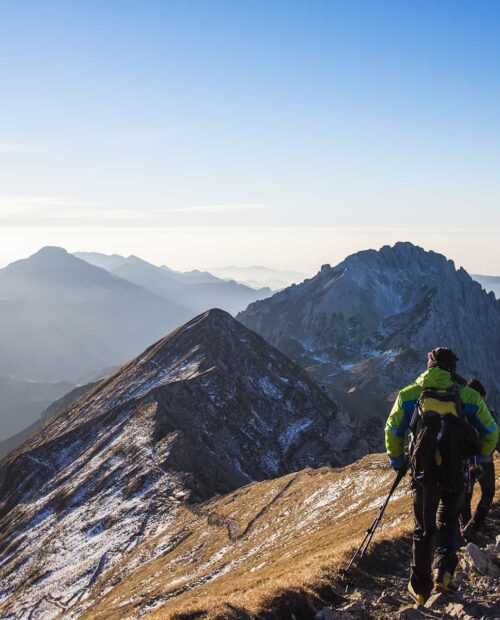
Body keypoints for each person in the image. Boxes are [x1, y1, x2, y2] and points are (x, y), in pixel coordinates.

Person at [385, 348, 498, 606]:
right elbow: (491, 430)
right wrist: (481, 458)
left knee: (423, 529)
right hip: (456, 473)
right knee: (448, 522)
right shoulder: (467, 395)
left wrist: (398, 461)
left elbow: (392, 430)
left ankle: (420, 590)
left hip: (424, 475)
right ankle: (444, 575)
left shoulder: (409, 395)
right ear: (451, 368)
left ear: (429, 367)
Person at [460, 378, 498, 540]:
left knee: (464, 497)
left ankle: (465, 526)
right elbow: (495, 436)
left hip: (464, 463)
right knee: (488, 493)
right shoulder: (488, 413)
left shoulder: (458, 413)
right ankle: (474, 526)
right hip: (485, 462)